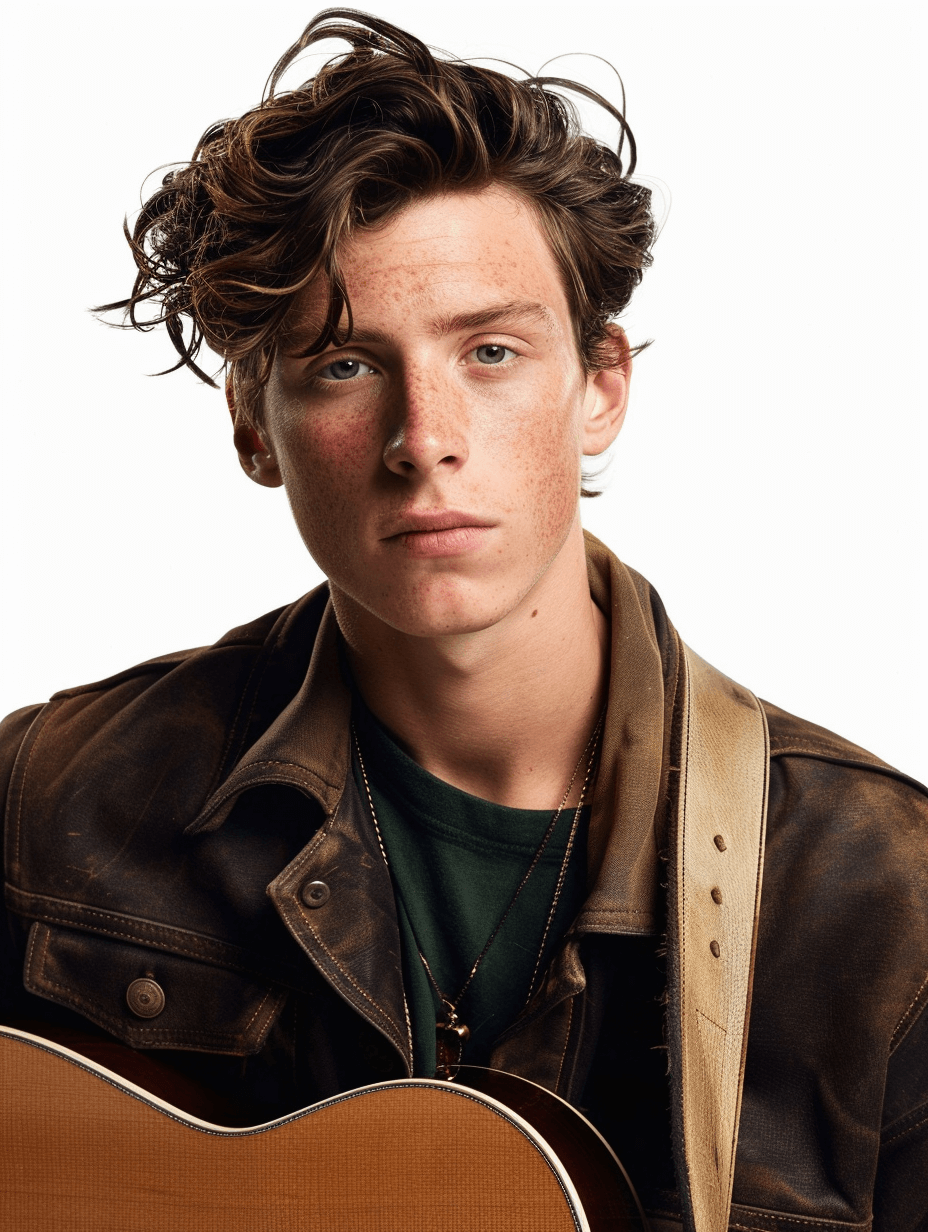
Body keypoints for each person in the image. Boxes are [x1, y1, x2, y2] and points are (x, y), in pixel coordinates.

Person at [1, 10, 925, 1231]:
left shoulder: (878, 907)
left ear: (598, 385)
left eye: (487, 350)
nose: (421, 435)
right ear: (250, 423)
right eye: (343, 363)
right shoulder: (50, 797)